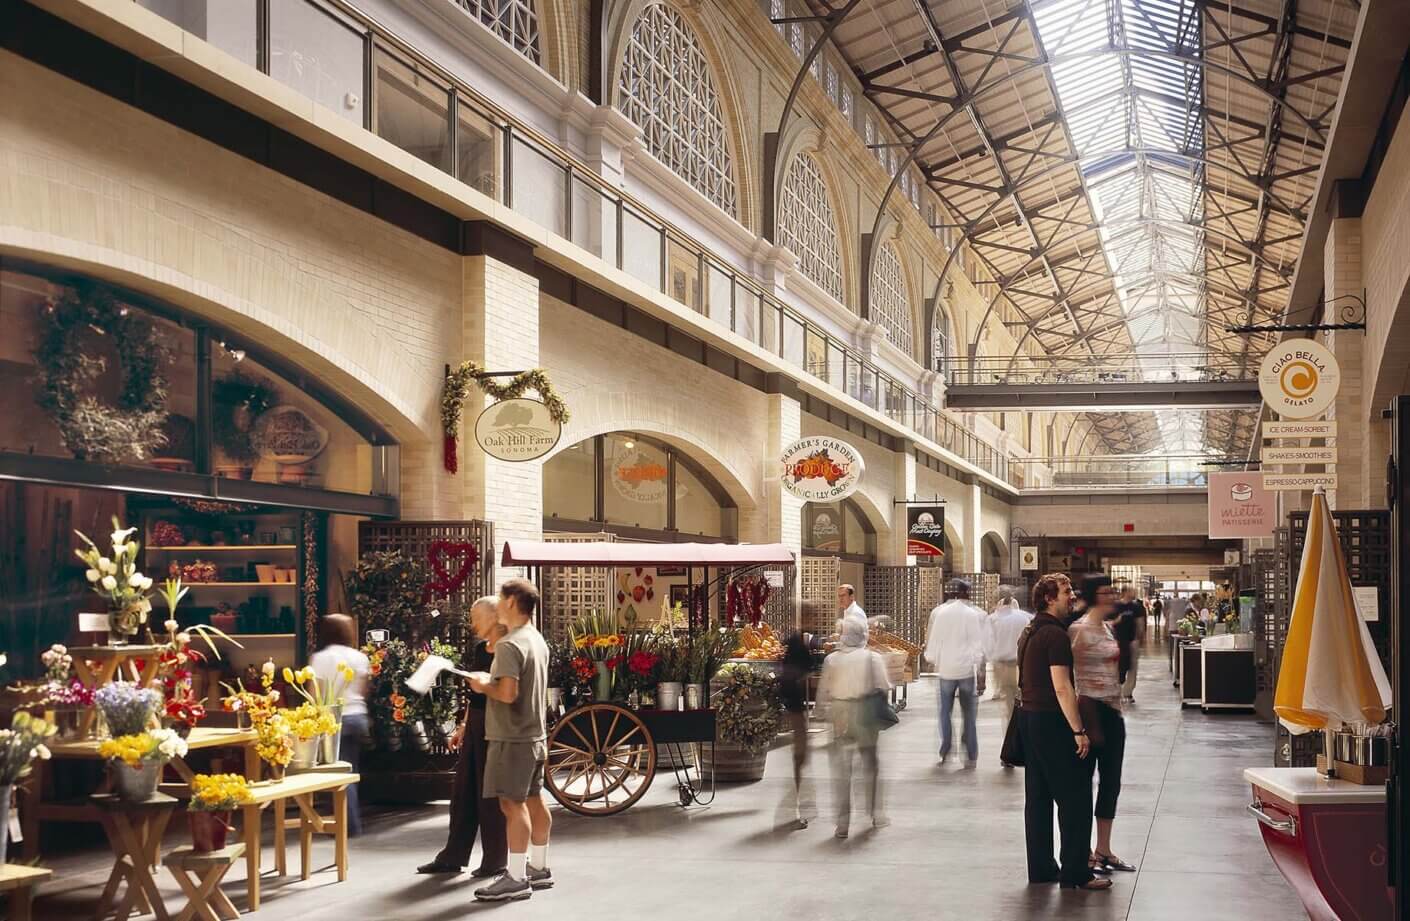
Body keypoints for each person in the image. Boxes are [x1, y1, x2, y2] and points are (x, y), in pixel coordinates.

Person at [1019, 574, 1109, 891]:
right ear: (1048, 598)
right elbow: (1061, 687)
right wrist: (1078, 730)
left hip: (1029, 720)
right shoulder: (1055, 636)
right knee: (1075, 798)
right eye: (1066, 591)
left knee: (1039, 798)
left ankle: (1042, 868)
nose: (1071, 595)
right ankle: (1075, 872)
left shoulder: (1031, 630)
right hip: (1053, 722)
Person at [468, 579, 552, 902]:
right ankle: (539, 868)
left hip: (510, 737)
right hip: (534, 734)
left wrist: (482, 684)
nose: (498, 605)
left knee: (511, 805)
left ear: (513, 602)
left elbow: (507, 692)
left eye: (501, 600)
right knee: (534, 799)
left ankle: (516, 877)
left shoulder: (508, 644)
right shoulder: (536, 639)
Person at [417, 596, 509, 876]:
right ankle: (453, 855)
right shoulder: (482, 649)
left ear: (493, 617)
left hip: (497, 725)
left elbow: (505, 693)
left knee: (490, 794)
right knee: (463, 791)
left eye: (476, 618)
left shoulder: (508, 651)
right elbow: (473, 696)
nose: (472, 625)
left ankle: (496, 860)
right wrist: (463, 727)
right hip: (477, 723)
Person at [1069, 576, 1134, 876]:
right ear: (1093, 596)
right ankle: (1082, 852)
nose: (1112, 596)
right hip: (1089, 710)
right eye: (1106, 592)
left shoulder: (1108, 627)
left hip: (1113, 710)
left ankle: (1103, 849)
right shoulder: (1078, 630)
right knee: (1083, 784)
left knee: (1111, 781)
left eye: (1112, 591)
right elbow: (1065, 674)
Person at [815, 615, 891, 838]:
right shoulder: (872, 658)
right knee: (870, 765)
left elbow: (823, 691)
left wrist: (820, 712)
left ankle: (842, 824)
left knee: (841, 770)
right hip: (865, 713)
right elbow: (884, 687)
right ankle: (876, 813)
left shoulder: (831, 660)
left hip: (840, 714)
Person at [309, 614, 370, 836]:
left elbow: (314, 691)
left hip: (333, 718)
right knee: (350, 769)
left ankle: (347, 824)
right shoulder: (359, 657)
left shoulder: (320, 658)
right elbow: (363, 689)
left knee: (336, 774)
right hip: (357, 715)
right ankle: (347, 822)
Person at [924, 579, 986, 767]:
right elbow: (977, 644)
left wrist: (932, 659)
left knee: (945, 712)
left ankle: (945, 749)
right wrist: (978, 665)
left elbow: (933, 642)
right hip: (966, 670)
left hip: (947, 671)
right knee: (969, 714)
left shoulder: (940, 613)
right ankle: (971, 753)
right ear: (966, 593)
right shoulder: (971, 614)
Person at [985, 586, 1033, 765]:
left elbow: (988, 644)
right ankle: (1027, 747)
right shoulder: (1025, 618)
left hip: (1002, 667)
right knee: (1027, 705)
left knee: (1008, 710)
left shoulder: (993, 619)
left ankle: (1011, 749)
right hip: (1023, 666)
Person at [780, 622, 816, 828]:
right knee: (800, 756)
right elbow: (803, 671)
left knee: (800, 756)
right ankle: (795, 811)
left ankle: (797, 805)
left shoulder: (794, 641)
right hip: (794, 705)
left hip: (794, 704)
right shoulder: (798, 643)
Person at [1111, 587, 1141, 703]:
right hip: (1117, 640)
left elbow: (1139, 622)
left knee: (1133, 666)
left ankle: (1128, 693)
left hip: (1132, 640)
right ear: (1124, 593)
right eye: (1131, 591)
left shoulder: (1136, 607)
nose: (1134, 593)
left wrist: (1139, 636)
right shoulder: (1115, 606)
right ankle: (1116, 690)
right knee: (1117, 666)